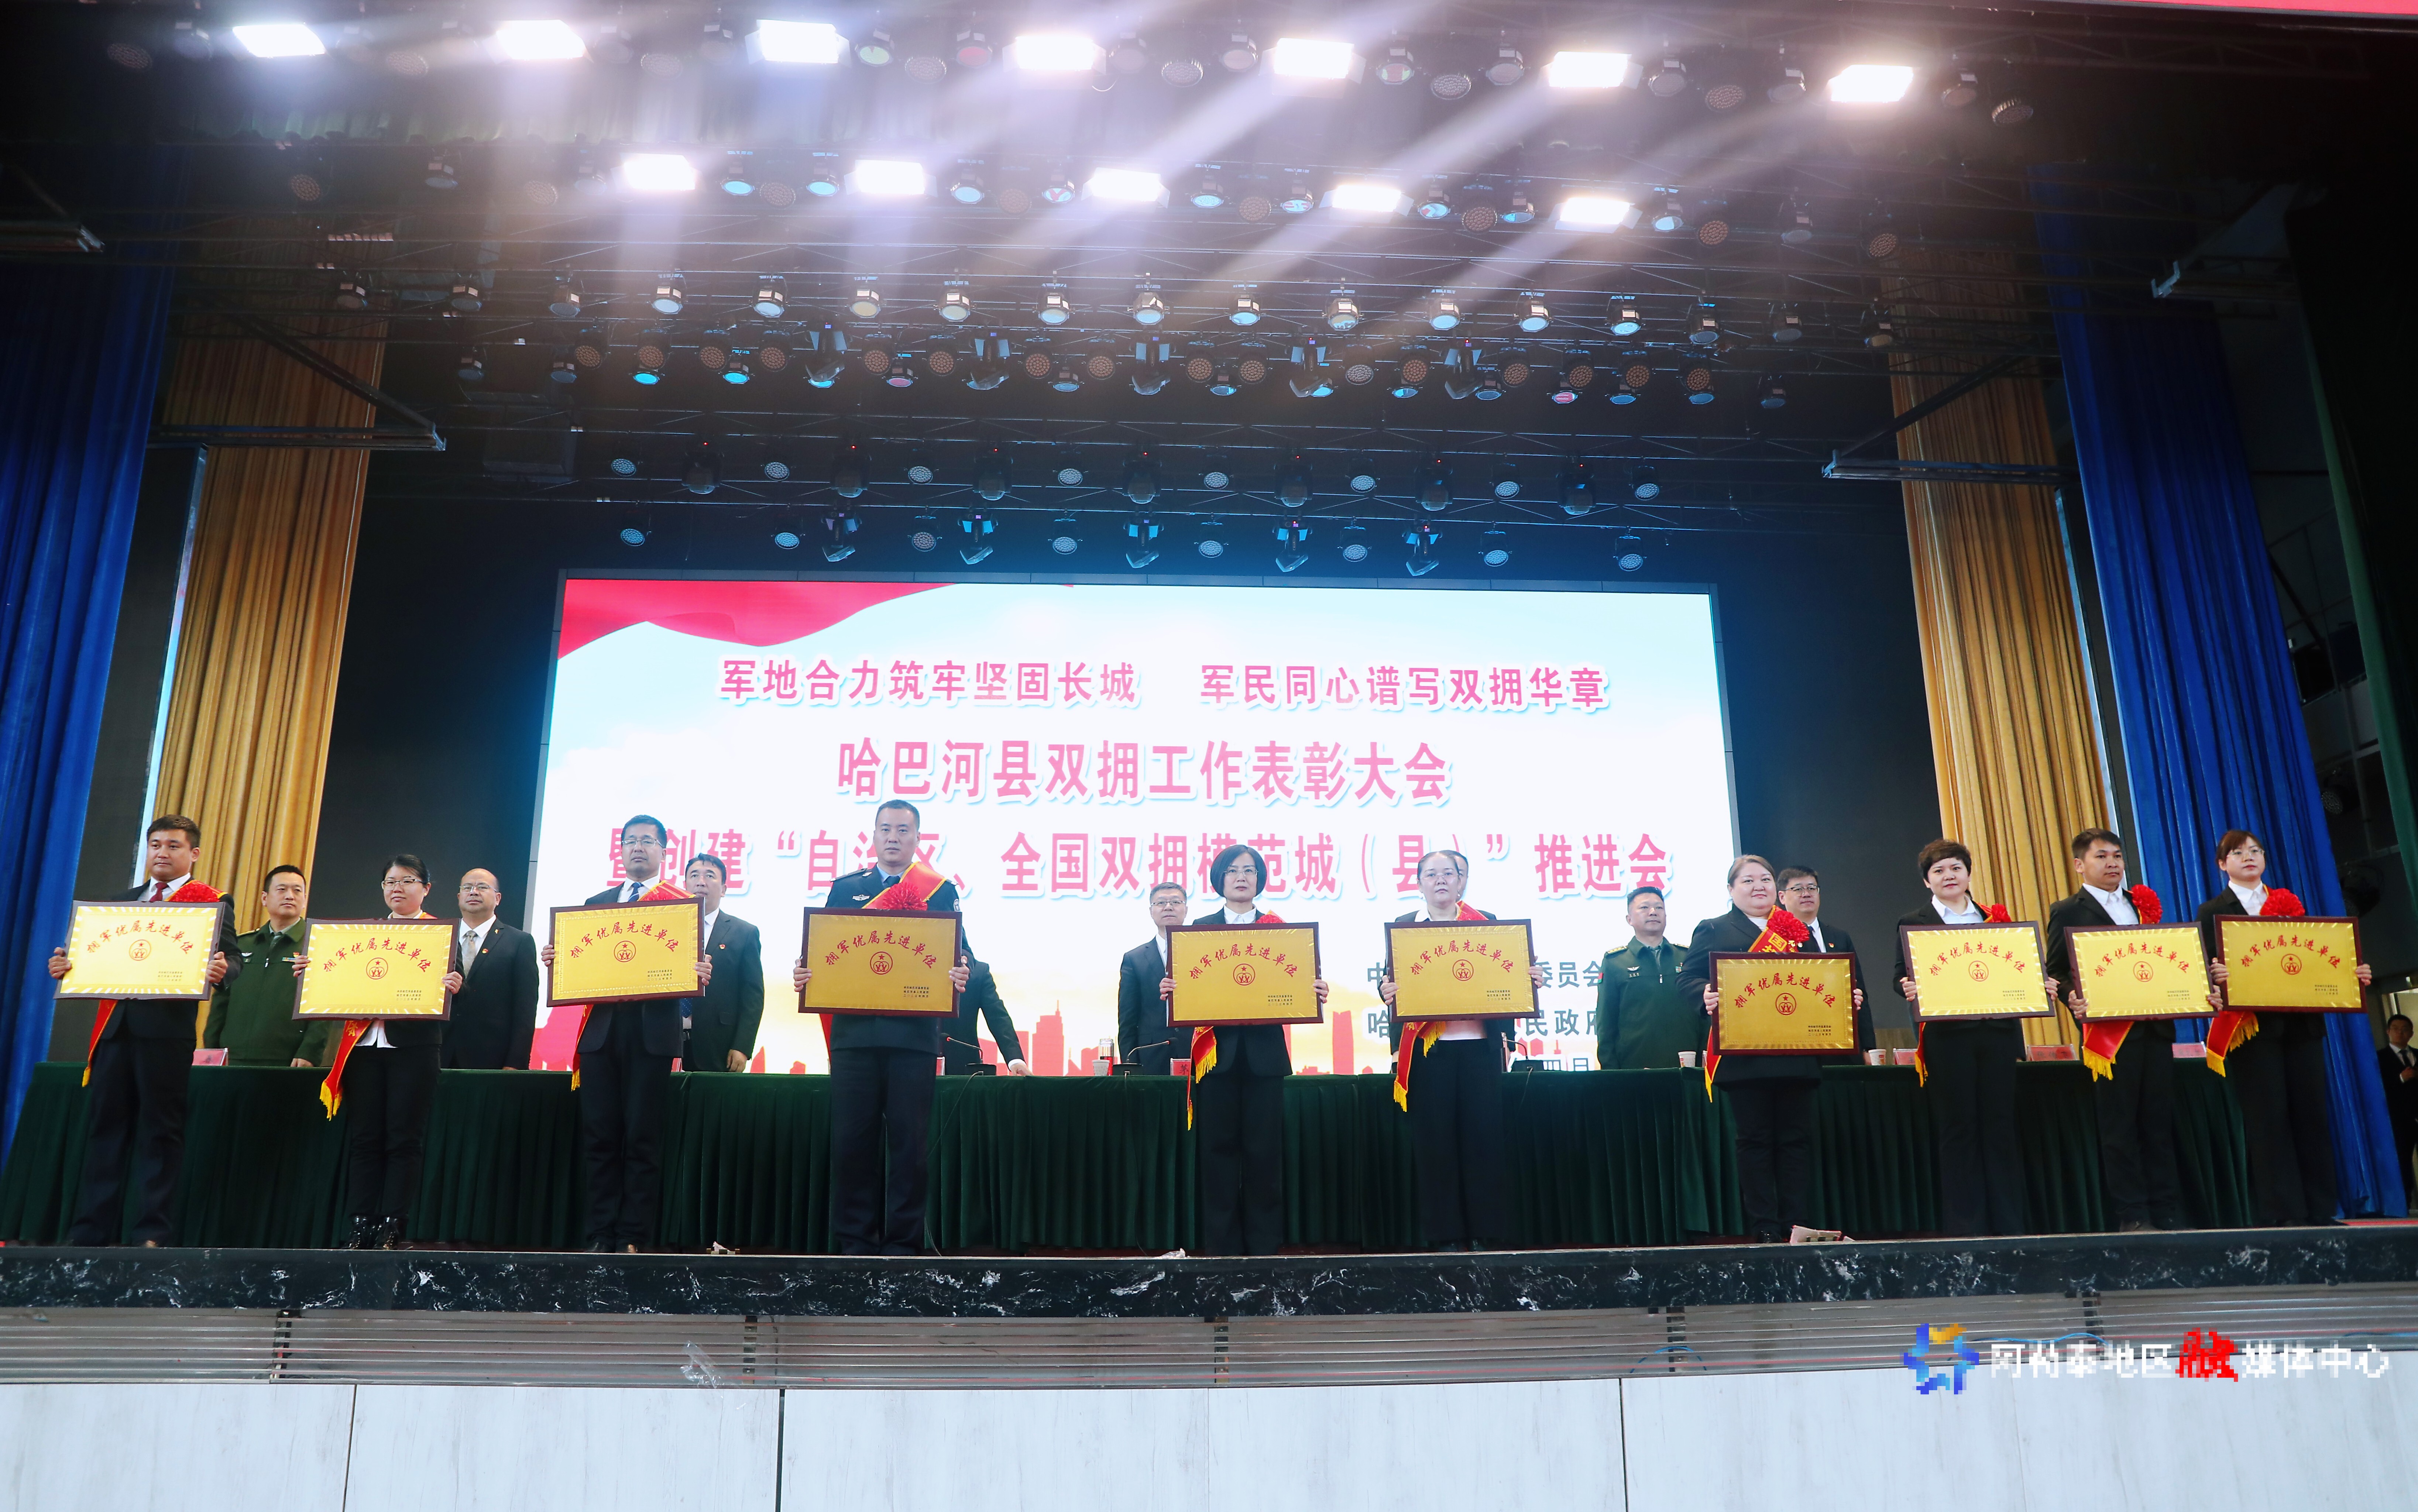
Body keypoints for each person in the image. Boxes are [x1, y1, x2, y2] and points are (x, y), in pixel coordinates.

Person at [49, 815, 240, 1246]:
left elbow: (233, 960)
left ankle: (151, 1231)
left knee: (160, 1131)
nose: (162, 853)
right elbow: (88, 959)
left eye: (174, 846)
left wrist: (222, 970)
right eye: (156, 845)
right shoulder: (121, 903)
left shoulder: (210, 903)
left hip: (166, 1035)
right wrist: (65, 966)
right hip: (115, 1031)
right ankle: (90, 1230)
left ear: (193, 853)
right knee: (105, 1128)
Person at [791, 800, 970, 1256]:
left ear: (917, 838)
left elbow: (960, 951)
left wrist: (960, 970)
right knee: (853, 1142)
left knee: (910, 1146)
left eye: (903, 830)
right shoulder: (846, 888)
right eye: (886, 829)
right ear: (873, 836)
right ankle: (855, 1242)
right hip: (855, 1038)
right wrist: (806, 972)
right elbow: (823, 950)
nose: (893, 837)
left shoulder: (939, 890)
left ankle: (903, 1245)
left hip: (913, 1039)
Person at [540, 815, 709, 1252]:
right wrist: (559, 960)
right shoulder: (596, 903)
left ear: (663, 851)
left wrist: (699, 972)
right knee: (600, 1136)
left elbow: (691, 970)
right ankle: (601, 1233)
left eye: (647, 841)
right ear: (620, 850)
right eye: (630, 840)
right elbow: (582, 965)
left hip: (652, 1036)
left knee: (642, 1137)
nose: (638, 847)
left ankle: (634, 1235)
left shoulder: (680, 906)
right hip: (601, 1035)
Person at [1679, 856, 1862, 1244]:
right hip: (1745, 1056)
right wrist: (1705, 993)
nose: (1758, 886)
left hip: (1797, 1052)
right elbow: (1688, 979)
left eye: (1764, 879)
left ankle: (1797, 1225)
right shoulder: (1713, 928)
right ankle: (1764, 1225)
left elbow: (1820, 980)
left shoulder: (1795, 928)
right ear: (1731, 890)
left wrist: (1847, 996)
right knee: (1755, 1141)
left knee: (1796, 1141)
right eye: (1747, 880)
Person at [2195, 828, 2372, 1227]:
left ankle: (2320, 1210)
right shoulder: (2212, 912)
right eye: (2238, 852)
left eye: (2256, 850)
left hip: (2301, 1027)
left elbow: (2310, 959)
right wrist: (2214, 977)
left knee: (2311, 1117)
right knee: (2268, 1120)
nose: (2249, 857)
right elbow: (2203, 971)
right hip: (2252, 1030)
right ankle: (2281, 1214)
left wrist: (2351, 972)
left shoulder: (2288, 902)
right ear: (2222, 864)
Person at [1167, 842, 1331, 1257]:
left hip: (1265, 1058)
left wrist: (1313, 990)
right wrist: (1171, 989)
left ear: (1260, 879)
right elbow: (1189, 987)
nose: (1241, 877)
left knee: (1264, 1154)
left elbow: (1295, 984)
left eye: (1250, 870)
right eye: (1233, 870)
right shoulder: (1198, 930)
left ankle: (1264, 1244)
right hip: (1215, 1058)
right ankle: (1221, 1245)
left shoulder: (1281, 931)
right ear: (1219, 879)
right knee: (1217, 1153)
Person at [1378, 849, 1541, 1251]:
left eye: (1449, 874)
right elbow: (1389, 983)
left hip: (1479, 1050)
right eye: (1431, 874)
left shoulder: (1485, 923)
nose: (1441, 880)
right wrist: (1385, 990)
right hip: (1429, 1054)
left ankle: (1485, 1232)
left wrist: (1529, 980)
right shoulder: (1405, 927)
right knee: (1435, 1144)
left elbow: (1507, 976)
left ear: (1461, 881)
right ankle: (1445, 1235)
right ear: (1419, 883)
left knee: (1483, 1141)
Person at [1894, 838, 2047, 1238]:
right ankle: (1966, 1226)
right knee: (1958, 1129)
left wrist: (2039, 982)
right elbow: (1899, 975)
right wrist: (1906, 985)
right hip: (1948, 1039)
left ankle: (2009, 1224)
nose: (1949, 876)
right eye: (1939, 871)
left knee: (2000, 1126)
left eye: (1956, 868)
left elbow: (2018, 967)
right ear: (1927, 881)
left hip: (1996, 1035)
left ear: (1967, 874)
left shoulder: (1995, 919)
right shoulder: (1915, 921)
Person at [2044, 828, 2184, 1233]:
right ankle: (2133, 1215)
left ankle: (2168, 1211)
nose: (2113, 864)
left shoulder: (2142, 904)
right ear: (2079, 865)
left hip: (2155, 1029)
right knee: (2119, 1129)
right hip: (2110, 1037)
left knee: (2158, 1125)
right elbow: (2056, 970)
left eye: (2118, 856)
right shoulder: (2067, 910)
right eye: (2102, 856)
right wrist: (2071, 997)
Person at [314, 854, 450, 1250]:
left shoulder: (440, 934)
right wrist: (314, 970)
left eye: (407, 881)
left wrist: (455, 984)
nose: (397, 888)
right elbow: (337, 977)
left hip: (413, 1051)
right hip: (364, 1049)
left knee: (404, 1139)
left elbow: (458, 988)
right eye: (390, 882)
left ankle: (393, 1225)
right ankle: (360, 1225)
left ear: (426, 889)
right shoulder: (365, 935)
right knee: (365, 1139)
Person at [204, 864, 330, 1068]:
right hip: (233, 1058)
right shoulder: (241, 945)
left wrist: (309, 1052)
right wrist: (211, 1050)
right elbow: (221, 1002)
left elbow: (323, 1008)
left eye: (297, 891)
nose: (290, 896)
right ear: (265, 898)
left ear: (305, 900)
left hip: (288, 1059)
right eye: (282, 889)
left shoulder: (317, 946)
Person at [438, 868, 539, 1071]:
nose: (474, 892)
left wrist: (515, 1062)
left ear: (498, 898)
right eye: (467, 888)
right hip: (438, 1054)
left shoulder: (519, 942)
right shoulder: (440, 937)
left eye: (482, 887)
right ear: (459, 897)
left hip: (491, 1057)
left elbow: (525, 1010)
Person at [1594, 885, 1697, 1071]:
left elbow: (1702, 1012)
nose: (1653, 912)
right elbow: (1606, 1023)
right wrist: (1611, 1072)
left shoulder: (1687, 957)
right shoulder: (1615, 962)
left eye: (1659, 908)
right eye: (1644, 908)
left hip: (1687, 1067)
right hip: (1635, 1069)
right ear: (1629, 919)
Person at [679, 853, 764, 1074]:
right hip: (666, 1041)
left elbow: (753, 996)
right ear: (684, 885)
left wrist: (742, 1046)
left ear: (724, 889)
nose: (701, 882)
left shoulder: (744, 933)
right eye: (694, 875)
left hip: (718, 1042)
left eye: (710, 876)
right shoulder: (668, 929)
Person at [1116, 882, 1191, 1074]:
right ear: (1151, 911)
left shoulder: (1203, 953)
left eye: (1176, 902)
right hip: (1151, 1053)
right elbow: (1128, 1020)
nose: (1169, 907)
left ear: (1186, 909)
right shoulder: (1135, 959)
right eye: (1161, 903)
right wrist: (1130, 1065)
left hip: (1198, 1050)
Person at [944, 958, 1030, 1076]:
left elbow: (998, 1017)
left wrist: (1015, 1060)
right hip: (919, 1061)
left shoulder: (978, 971)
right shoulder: (918, 969)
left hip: (964, 1068)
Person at [2378, 1014, 2418, 1206]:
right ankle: (2404, 1204)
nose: (2400, 1033)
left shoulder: (2417, 1054)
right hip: (2398, 1120)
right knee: (2402, 1162)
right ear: (2388, 1032)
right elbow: (2377, 1088)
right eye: (2395, 1029)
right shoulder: (2379, 1058)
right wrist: (2401, 1079)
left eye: (2404, 1030)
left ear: (2411, 1034)